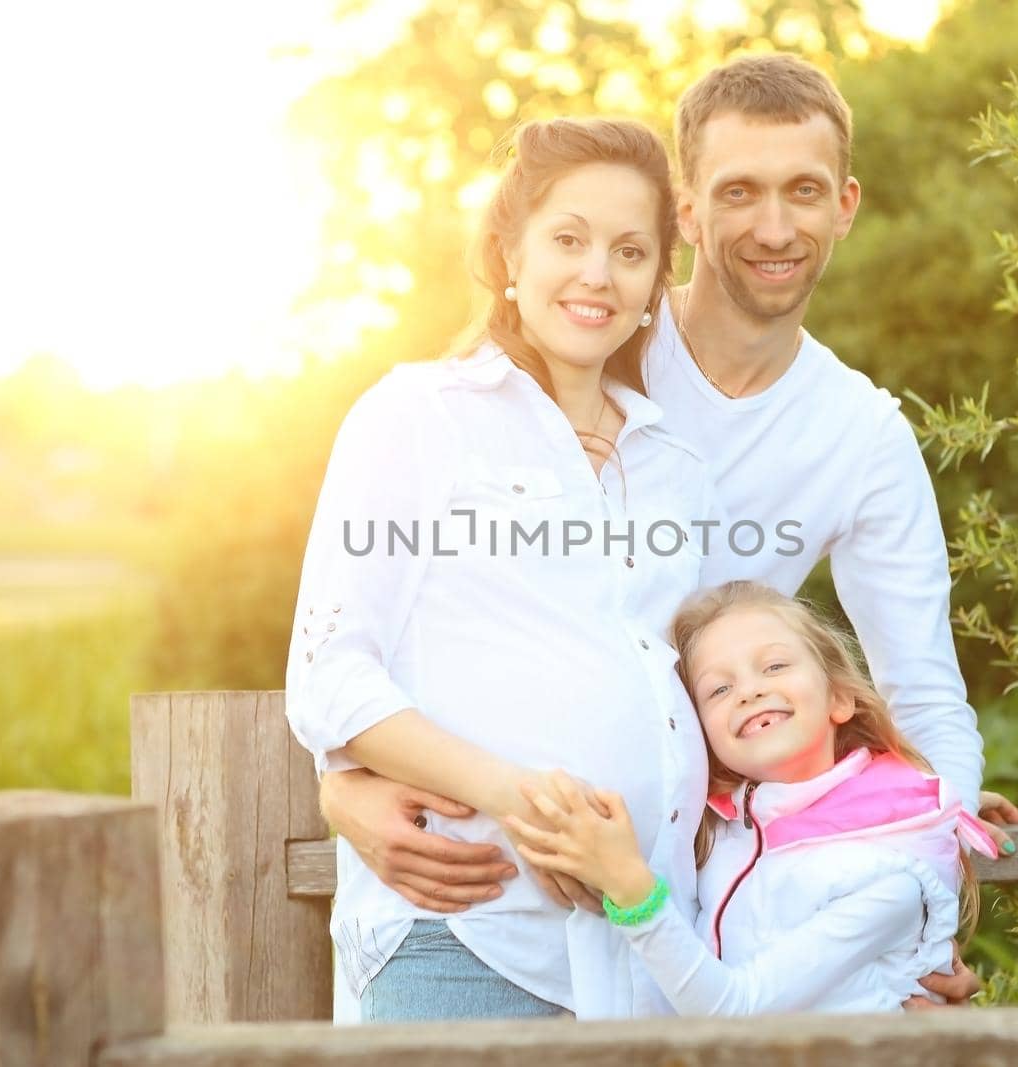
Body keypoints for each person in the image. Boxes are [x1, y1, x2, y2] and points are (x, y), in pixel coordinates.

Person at [318, 53, 1017, 1006]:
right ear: (690, 215)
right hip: (487, 920)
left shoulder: (814, 440)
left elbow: (922, 693)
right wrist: (342, 778)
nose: (775, 227)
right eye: (739, 192)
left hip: (669, 932)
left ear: (845, 203)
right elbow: (365, 637)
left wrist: (913, 906)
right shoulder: (568, 363)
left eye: (804, 191)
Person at [286, 117, 717, 1021]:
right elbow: (330, 671)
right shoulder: (417, 414)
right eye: (569, 239)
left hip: (651, 958)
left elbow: (697, 693)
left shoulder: (675, 461)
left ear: (653, 287)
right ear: (508, 254)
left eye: (630, 251)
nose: (598, 272)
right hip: (468, 940)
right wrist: (523, 804)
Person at [506, 580, 999, 1016]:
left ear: (839, 698)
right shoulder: (725, 831)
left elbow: (733, 1011)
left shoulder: (886, 875)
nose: (749, 691)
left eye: (775, 665)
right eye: (718, 689)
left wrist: (630, 889)